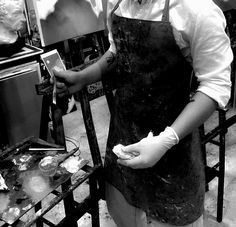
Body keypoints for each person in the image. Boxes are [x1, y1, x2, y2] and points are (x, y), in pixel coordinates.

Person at [53, 0, 233, 226]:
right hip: (124, 140)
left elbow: (215, 85)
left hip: (173, 154)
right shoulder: (117, 3)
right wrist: (84, 77)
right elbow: (117, 50)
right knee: (124, 213)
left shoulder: (196, 10)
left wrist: (166, 140)